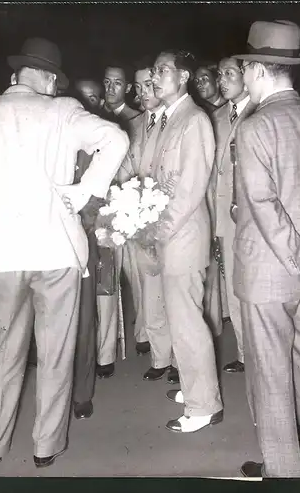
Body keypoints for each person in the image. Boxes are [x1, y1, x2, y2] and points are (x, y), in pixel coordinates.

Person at [0, 37, 129, 467]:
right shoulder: (63, 111)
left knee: (0, 354)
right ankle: (45, 447)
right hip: (58, 251)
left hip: (1, 255)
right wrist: (84, 190)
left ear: (16, 76)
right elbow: (116, 139)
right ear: (49, 78)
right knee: (54, 353)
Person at [232, 20, 300, 477]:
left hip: (271, 275)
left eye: (244, 67)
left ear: (259, 71)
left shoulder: (255, 126)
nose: (243, 75)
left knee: (272, 383)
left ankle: (286, 474)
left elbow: (263, 205)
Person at [151, 49, 223, 433]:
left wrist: (158, 230)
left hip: (182, 234)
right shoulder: (170, 118)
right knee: (182, 319)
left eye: (163, 70)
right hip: (172, 234)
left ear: (183, 76)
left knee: (187, 322)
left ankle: (203, 406)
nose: (155, 76)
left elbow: (191, 187)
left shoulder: (193, 119)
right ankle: (198, 385)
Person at [118, 57, 179, 383]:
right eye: (138, 86)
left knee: (176, 296)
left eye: (149, 84)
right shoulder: (135, 125)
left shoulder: (177, 121)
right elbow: (128, 167)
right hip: (140, 225)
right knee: (149, 294)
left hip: (174, 223)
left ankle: (181, 362)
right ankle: (160, 358)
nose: (143, 92)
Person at [207, 56, 256, 374]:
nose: (222, 80)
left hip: (255, 218)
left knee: (255, 288)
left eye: (229, 73)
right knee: (233, 289)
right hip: (224, 217)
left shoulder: (262, 111)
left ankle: (261, 351)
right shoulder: (216, 117)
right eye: (219, 74)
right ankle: (244, 353)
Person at [95, 62, 141, 380]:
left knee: (136, 278)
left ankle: (146, 335)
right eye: (107, 82)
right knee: (104, 282)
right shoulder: (91, 117)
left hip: (129, 209)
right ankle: (104, 353)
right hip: (99, 213)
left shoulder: (136, 119)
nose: (111, 88)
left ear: (126, 87)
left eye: (117, 83)